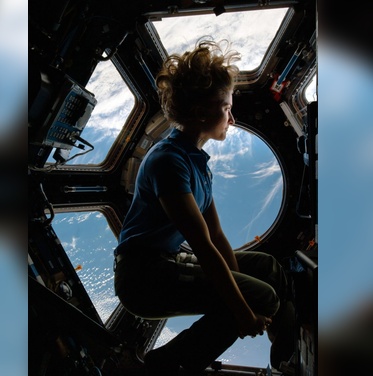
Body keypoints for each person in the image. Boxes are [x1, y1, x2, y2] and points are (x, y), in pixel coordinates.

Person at [113, 39, 291, 375]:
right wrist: (242, 312)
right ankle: (168, 366)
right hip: (143, 277)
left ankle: (288, 346)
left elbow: (218, 234)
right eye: (226, 107)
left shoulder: (197, 163)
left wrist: (238, 281)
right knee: (261, 297)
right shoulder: (169, 162)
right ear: (200, 113)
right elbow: (204, 247)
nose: (231, 117)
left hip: (165, 263)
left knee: (267, 269)